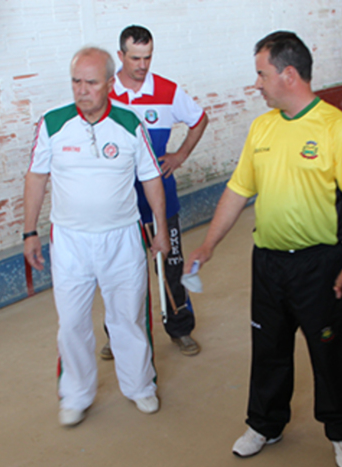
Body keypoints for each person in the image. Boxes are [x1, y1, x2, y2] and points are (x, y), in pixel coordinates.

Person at [185, 31, 342, 467]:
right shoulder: (262, 128)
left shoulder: (337, 129)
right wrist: (209, 244)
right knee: (268, 348)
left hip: (320, 266)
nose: (257, 84)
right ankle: (264, 424)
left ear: (288, 75)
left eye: (261, 74)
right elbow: (238, 190)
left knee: (330, 352)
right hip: (268, 263)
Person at [22, 47, 169, 428]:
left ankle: (139, 386)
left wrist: (163, 227)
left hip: (122, 239)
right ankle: (76, 394)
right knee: (71, 322)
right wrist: (29, 231)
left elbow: (151, 177)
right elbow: (36, 177)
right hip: (69, 242)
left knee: (128, 318)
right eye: (75, 82)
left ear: (108, 82)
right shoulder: (52, 124)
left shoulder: (128, 123)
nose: (81, 90)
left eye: (90, 82)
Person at [103, 25, 210, 358]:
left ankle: (180, 329)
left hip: (163, 199)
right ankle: (117, 335)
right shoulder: (104, 92)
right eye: (135, 58)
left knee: (172, 264)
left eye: (148, 57)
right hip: (119, 204)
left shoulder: (167, 90)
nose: (142, 65)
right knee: (120, 273)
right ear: (120, 56)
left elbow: (199, 119)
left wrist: (179, 155)